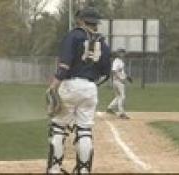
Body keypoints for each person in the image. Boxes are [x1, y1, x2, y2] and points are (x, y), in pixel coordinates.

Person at [46, 7, 111, 174]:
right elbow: (106, 72)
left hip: (70, 84)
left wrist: (54, 84)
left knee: (59, 127)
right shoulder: (102, 42)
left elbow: (65, 64)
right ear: (96, 23)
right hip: (90, 87)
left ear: (81, 20)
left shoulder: (73, 35)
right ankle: (83, 170)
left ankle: (54, 169)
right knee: (84, 130)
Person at [106, 48, 133, 119]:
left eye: (123, 52)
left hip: (117, 81)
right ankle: (121, 113)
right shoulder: (117, 61)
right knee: (122, 97)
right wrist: (120, 78)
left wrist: (127, 77)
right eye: (121, 52)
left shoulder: (120, 61)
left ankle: (110, 108)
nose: (122, 54)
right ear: (117, 54)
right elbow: (114, 71)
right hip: (118, 82)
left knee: (118, 96)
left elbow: (121, 72)